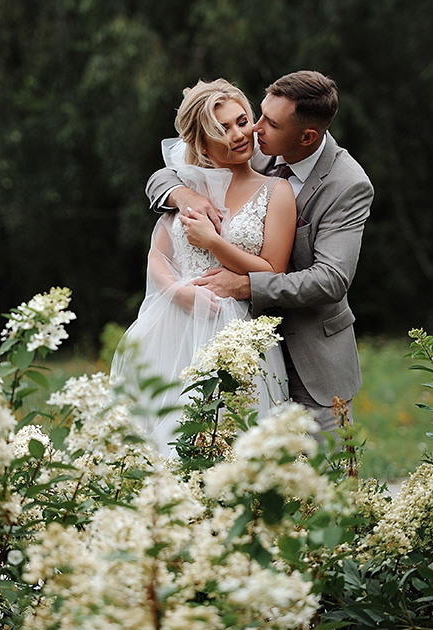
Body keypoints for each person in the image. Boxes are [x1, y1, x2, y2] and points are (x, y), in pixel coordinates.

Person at [146, 70, 374, 433]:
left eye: (268, 122)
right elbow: (167, 172)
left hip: (309, 354)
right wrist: (184, 195)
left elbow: (331, 280)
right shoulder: (253, 149)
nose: (253, 128)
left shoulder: (347, 185)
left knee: (325, 478)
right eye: (260, 114)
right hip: (218, 341)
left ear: (307, 136)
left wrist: (244, 286)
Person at [112, 78, 297, 457]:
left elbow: (271, 269)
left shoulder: (276, 192)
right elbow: (157, 256)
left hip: (232, 330)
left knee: (233, 439)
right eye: (222, 129)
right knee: (163, 437)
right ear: (200, 143)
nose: (238, 135)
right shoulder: (186, 188)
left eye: (242, 121)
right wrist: (176, 291)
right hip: (171, 326)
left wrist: (213, 242)